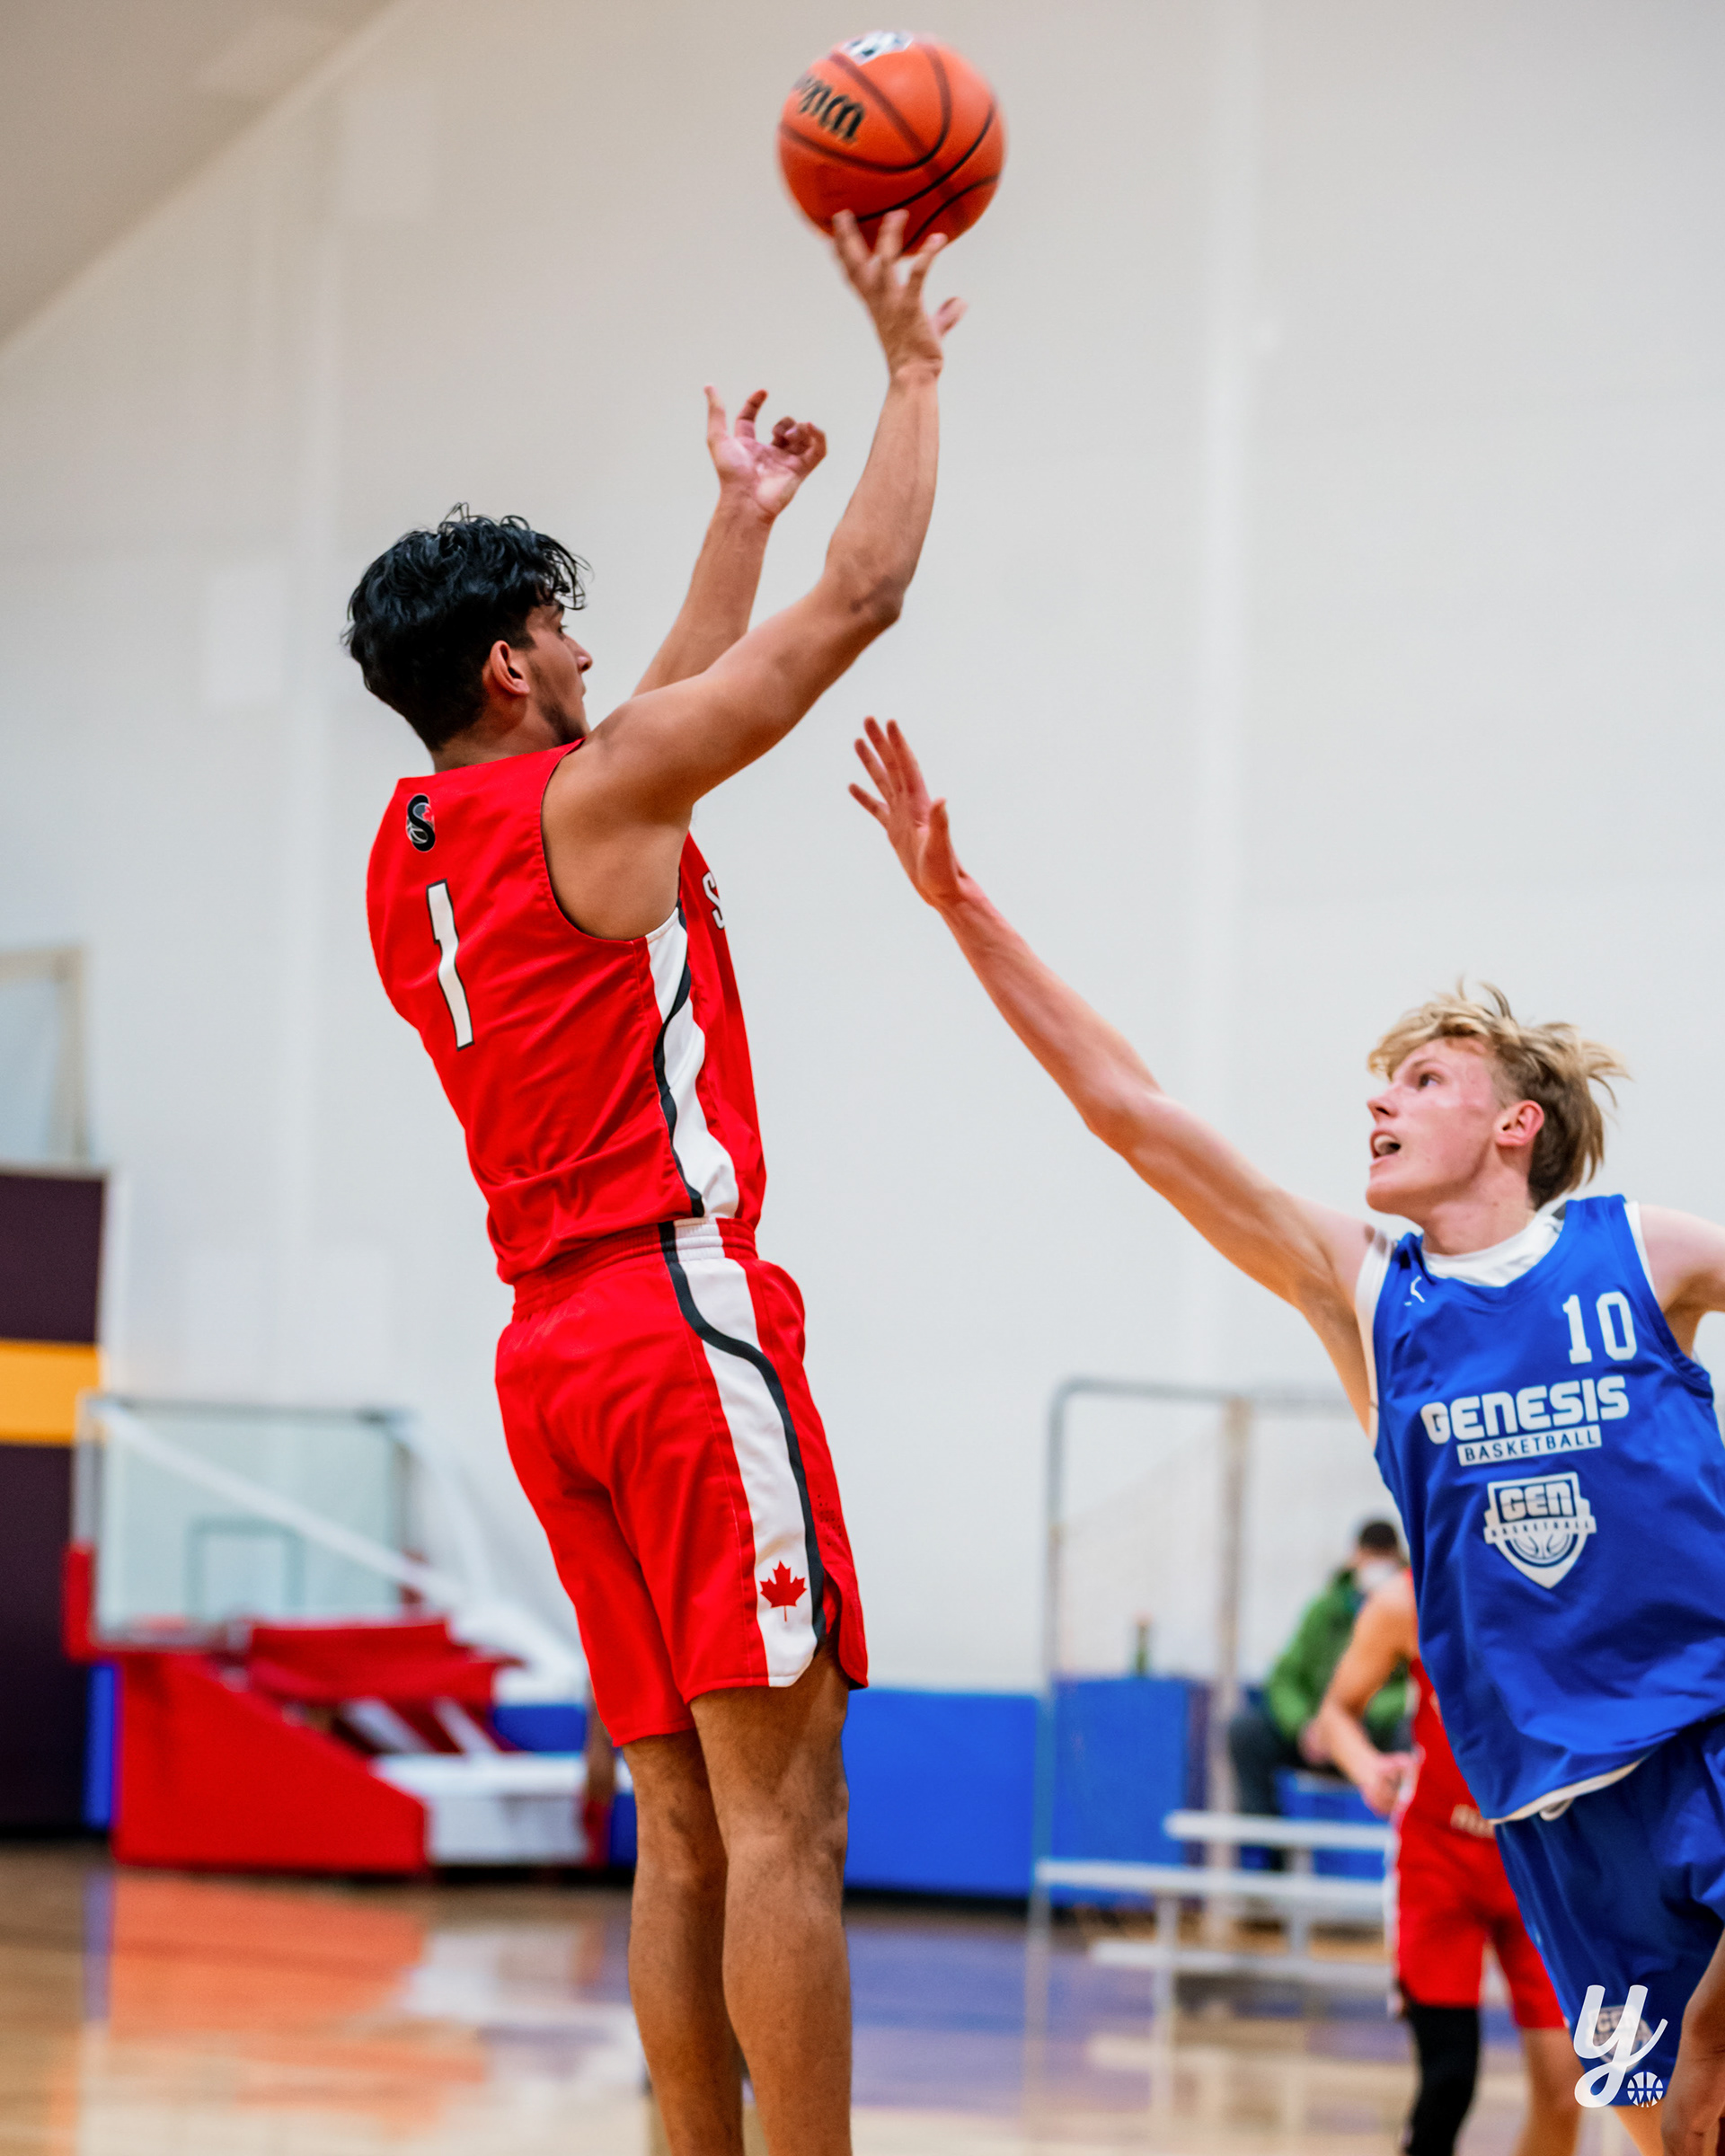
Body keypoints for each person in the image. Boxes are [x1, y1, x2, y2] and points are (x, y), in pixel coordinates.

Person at [850, 717, 1725, 2152]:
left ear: (1516, 1124)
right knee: (1681, 2130)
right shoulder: (1371, 1295)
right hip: (1556, 1803)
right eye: (1382, 1082)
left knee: (1709, 2068)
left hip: (1705, 1723)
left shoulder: (1642, 1251)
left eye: (1423, 1080)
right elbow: (1131, 1113)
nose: (1380, 1098)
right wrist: (961, 907)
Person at [349, 215, 963, 2156]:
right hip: (675, 1321)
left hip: (550, 1357)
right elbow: (864, 601)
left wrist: (733, 517)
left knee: (681, 1826)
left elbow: (638, 747)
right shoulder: (596, 799)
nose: (592, 656)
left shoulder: (415, 851)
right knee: (791, 1820)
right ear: (508, 661)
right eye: (563, 632)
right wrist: (912, 373)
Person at [1316, 1568, 1578, 2156]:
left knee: (1566, 2091)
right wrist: (1367, 1767)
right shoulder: (1406, 1600)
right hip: (1438, 1861)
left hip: (1539, 1862)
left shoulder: (1569, 1585)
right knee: (1449, 2080)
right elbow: (1336, 1712)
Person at [1228, 1519, 1407, 1823]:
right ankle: (1266, 1844)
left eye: (1383, 1558)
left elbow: (1413, 1689)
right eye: (1370, 1557)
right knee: (1246, 1732)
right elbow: (1285, 1678)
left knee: (1410, 1738)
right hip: (1317, 1736)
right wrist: (1304, 1726)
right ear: (1355, 1557)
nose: (1376, 1567)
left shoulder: (1407, 1611)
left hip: (1373, 1740)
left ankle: (1407, 1828)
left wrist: (1356, 1723)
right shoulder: (1323, 1611)